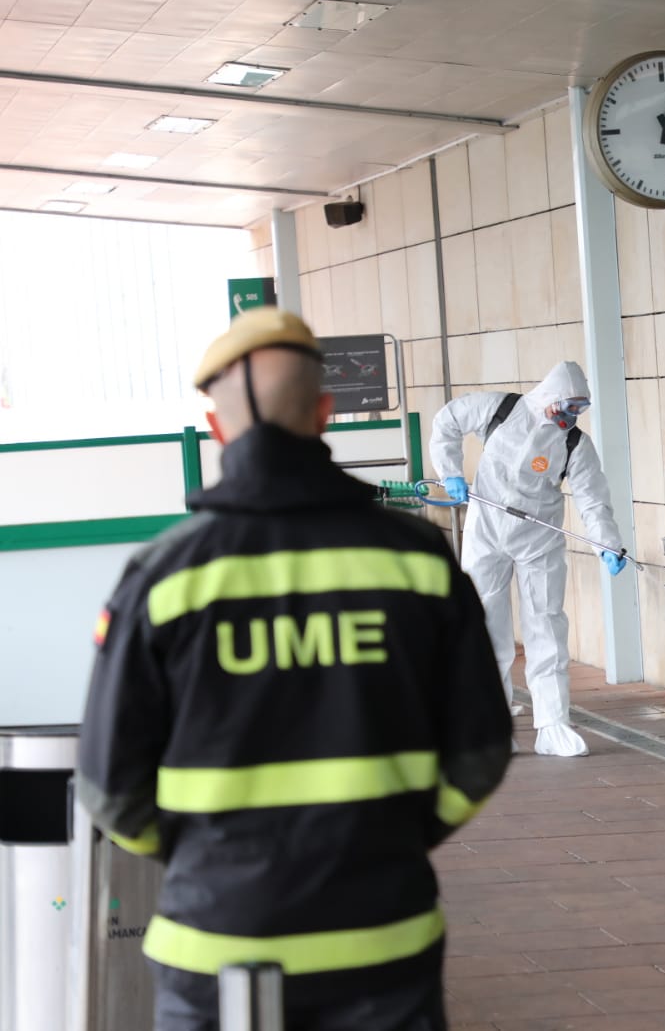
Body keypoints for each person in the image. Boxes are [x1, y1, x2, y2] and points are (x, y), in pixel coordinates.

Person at [75, 308, 511, 1031]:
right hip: (383, 935)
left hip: (214, 942)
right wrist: (393, 837)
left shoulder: (162, 580)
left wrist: (207, 865)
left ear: (216, 430)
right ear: (323, 413)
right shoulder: (418, 562)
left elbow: (108, 787)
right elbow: (480, 751)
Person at [430, 361, 625, 757]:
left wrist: (607, 543)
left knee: (546, 625)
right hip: (486, 532)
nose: (571, 417)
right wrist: (450, 471)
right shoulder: (501, 409)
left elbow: (592, 498)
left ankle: (553, 725)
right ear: (548, 398)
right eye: (566, 408)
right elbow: (447, 421)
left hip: (539, 538)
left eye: (579, 410)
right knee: (484, 623)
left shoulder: (574, 445)